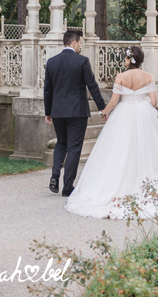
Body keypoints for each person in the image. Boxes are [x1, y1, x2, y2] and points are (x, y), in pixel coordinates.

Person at [65, 46, 158, 219]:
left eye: (125, 58)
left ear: (130, 60)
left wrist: (104, 112)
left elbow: (114, 102)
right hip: (142, 114)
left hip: (124, 114)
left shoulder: (121, 77)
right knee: (142, 150)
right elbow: (154, 101)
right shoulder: (148, 77)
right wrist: (141, 107)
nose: (124, 61)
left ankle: (116, 184)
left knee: (118, 149)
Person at [43, 29, 106, 197]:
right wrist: (102, 108)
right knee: (74, 148)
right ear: (74, 43)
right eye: (80, 44)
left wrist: (48, 111)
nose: (80, 47)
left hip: (57, 111)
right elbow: (92, 85)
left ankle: (55, 176)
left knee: (61, 143)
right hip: (77, 112)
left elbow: (47, 90)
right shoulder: (82, 61)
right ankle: (67, 186)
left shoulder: (52, 62)